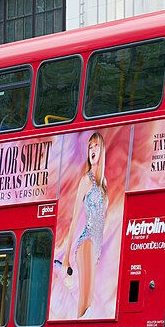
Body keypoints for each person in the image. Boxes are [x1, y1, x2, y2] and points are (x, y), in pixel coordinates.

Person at [61, 132, 109, 317]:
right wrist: (65, 258)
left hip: (96, 246)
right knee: (85, 300)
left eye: (96, 146)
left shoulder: (103, 183)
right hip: (87, 241)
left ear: (102, 150)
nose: (92, 150)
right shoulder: (86, 180)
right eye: (90, 147)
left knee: (89, 300)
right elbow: (74, 218)